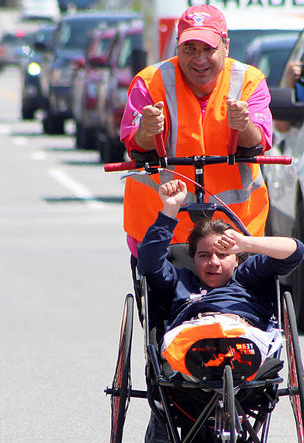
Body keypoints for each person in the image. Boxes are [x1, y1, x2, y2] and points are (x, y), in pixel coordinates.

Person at [138, 178, 304, 443]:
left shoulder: (249, 275)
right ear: (193, 259)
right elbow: (148, 264)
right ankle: (167, 416)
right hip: (191, 337)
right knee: (188, 342)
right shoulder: (180, 281)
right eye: (203, 255)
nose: (213, 262)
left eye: (222, 255)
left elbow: (296, 251)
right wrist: (169, 210)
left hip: (243, 335)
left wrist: (247, 243)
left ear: (235, 258)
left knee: (238, 335)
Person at [119, 4, 274, 256]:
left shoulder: (249, 81)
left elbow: (259, 142)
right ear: (177, 46)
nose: (199, 59)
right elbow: (136, 146)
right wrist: (148, 131)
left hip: (235, 228)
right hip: (161, 228)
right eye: (190, 49)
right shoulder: (149, 82)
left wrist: (244, 126)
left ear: (226, 46)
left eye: (208, 49)